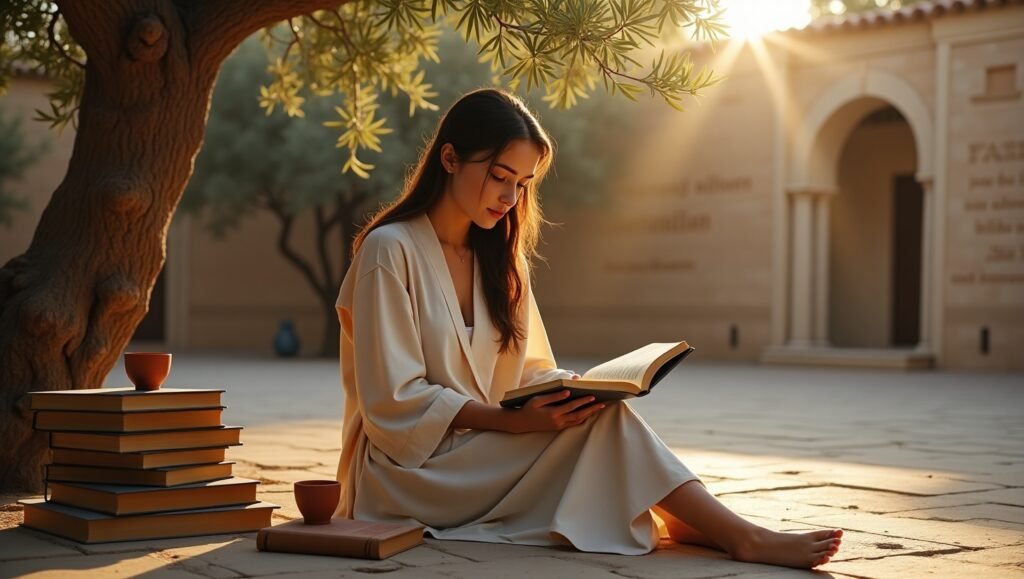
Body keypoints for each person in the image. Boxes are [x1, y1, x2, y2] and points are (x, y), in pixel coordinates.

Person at [334, 88, 842, 568]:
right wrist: (513, 423)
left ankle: (702, 523)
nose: (510, 196)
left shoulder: (502, 259)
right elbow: (394, 400)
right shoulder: (389, 250)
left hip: (479, 451)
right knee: (600, 430)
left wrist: (568, 390)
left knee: (599, 414)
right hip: (408, 473)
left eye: (522, 184)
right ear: (449, 158)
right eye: (500, 176)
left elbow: (528, 369)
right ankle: (738, 535)